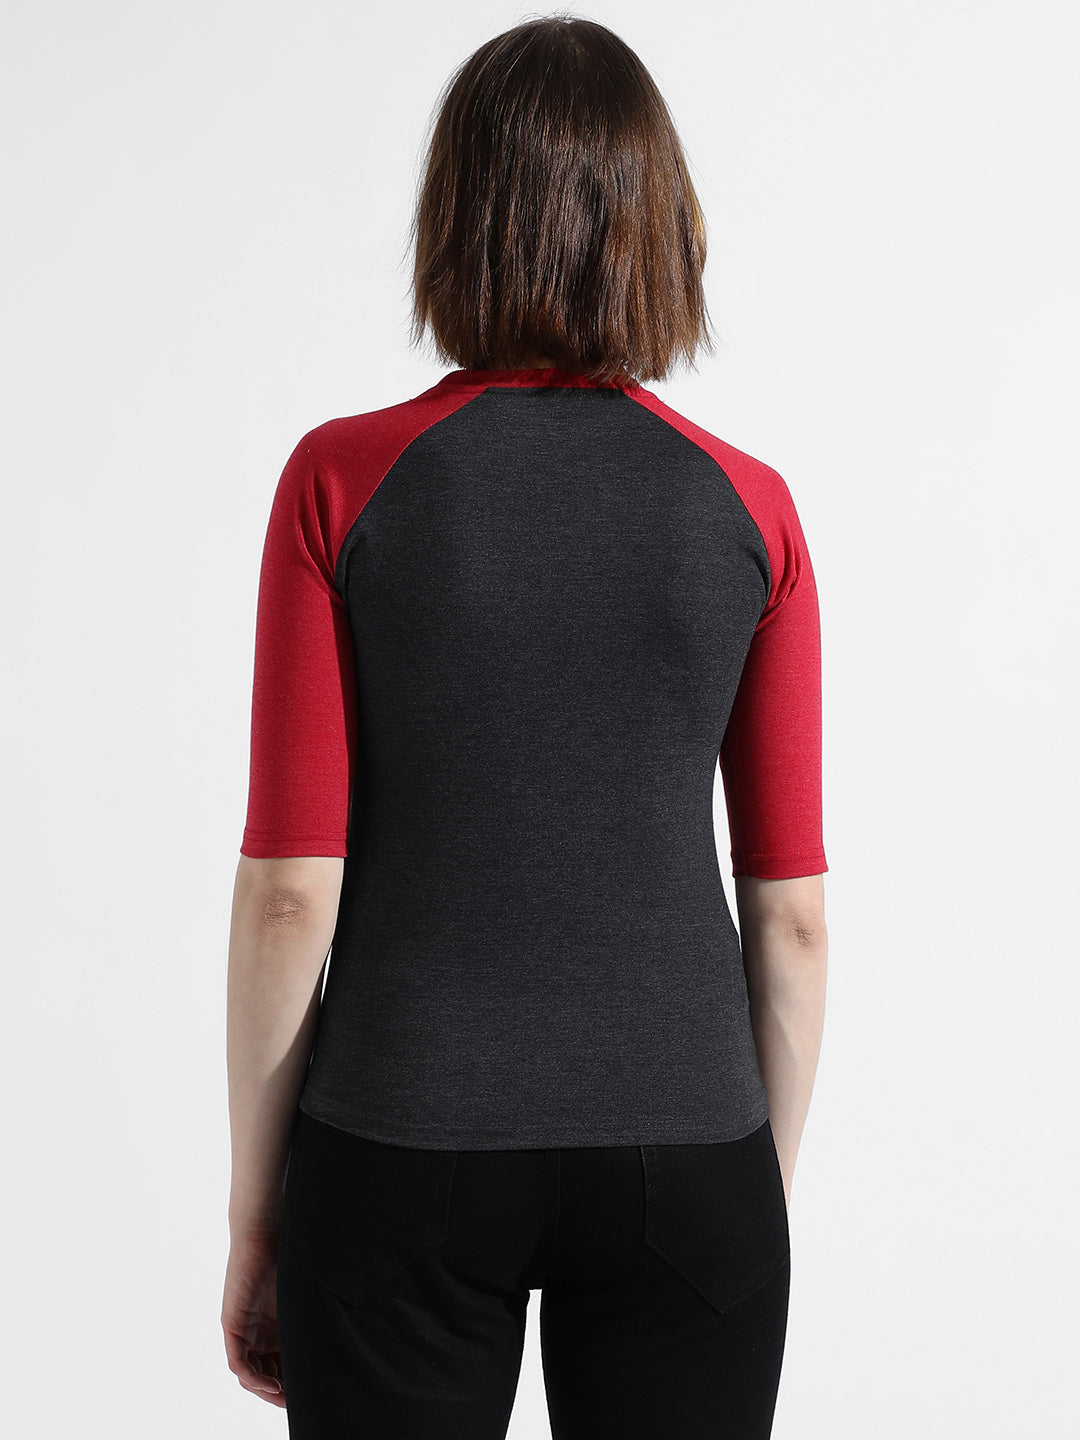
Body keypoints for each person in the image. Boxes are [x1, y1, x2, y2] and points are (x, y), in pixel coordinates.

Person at [221, 15, 828, 1439]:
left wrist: (259, 1212)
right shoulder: (750, 509)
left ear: (459, 220)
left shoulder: (341, 482)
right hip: (690, 1140)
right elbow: (793, 921)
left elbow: (290, 893)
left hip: (398, 1135)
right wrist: (750, 1194)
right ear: (659, 227)